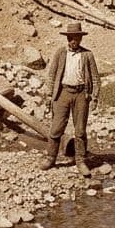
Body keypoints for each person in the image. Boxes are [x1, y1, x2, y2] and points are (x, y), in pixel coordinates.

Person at [40, 21, 101, 176]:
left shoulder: (87, 55)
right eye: (70, 38)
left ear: (80, 39)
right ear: (67, 39)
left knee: (80, 130)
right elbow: (52, 76)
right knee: (56, 128)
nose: (73, 41)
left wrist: (94, 97)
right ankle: (50, 158)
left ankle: (80, 161)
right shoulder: (60, 53)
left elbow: (95, 78)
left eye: (76, 38)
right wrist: (49, 95)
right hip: (63, 93)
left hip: (81, 94)